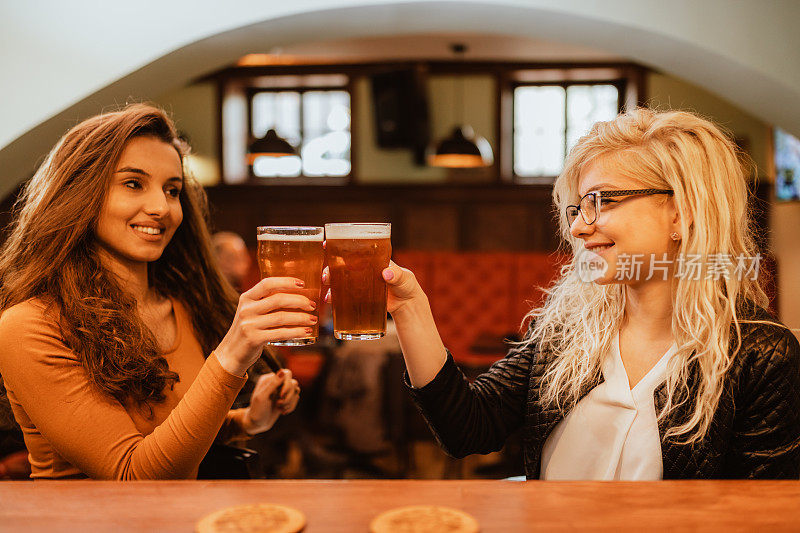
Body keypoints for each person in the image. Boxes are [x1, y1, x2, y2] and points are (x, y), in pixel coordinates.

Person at [356, 108, 800, 479]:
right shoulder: (568, 327)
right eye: (578, 207)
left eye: (602, 201)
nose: (578, 227)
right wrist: (411, 309)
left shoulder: (761, 355)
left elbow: (759, 516)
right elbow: (466, 428)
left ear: (681, 216)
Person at [0, 104, 315, 480]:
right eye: (133, 184)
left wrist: (248, 420)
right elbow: (134, 474)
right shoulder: (30, 325)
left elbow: (169, 437)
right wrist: (232, 356)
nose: (161, 208)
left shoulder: (179, 305)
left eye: (172, 190)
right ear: (80, 194)